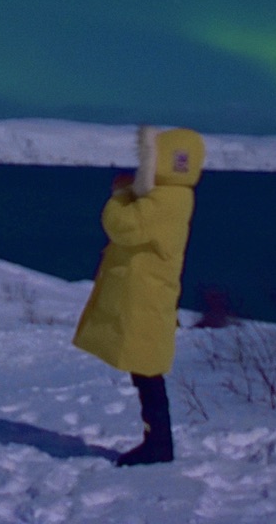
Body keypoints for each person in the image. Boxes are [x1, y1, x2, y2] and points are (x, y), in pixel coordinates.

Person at [71, 124, 206, 466]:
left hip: (146, 299)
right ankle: (156, 440)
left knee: (147, 372)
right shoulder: (177, 196)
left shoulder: (165, 200)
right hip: (148, 295)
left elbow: (123, 225)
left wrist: (119, 194)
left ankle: (158, 444)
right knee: (144, 370)